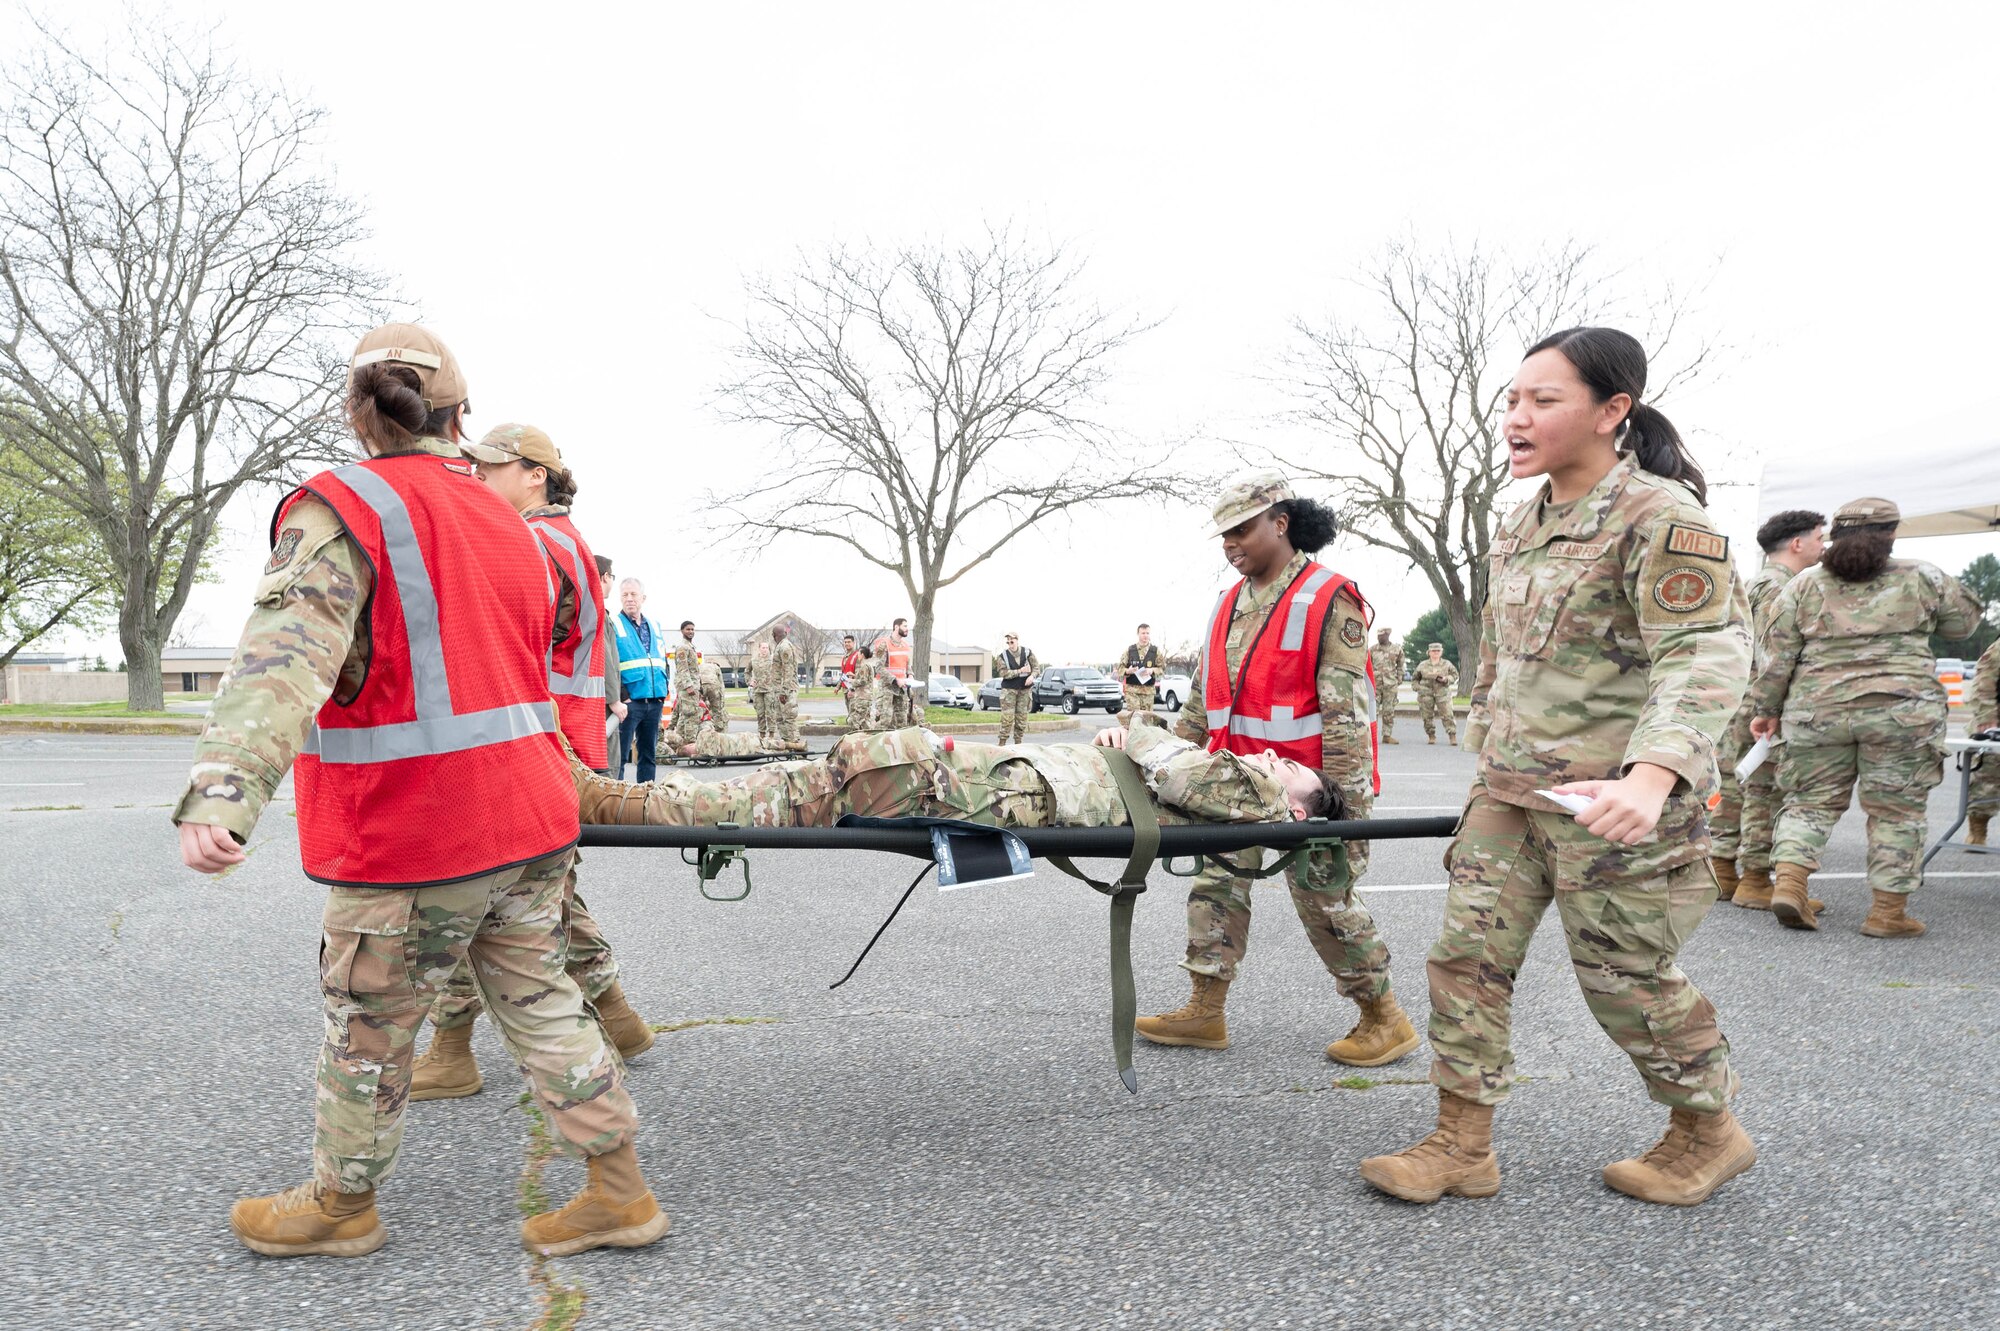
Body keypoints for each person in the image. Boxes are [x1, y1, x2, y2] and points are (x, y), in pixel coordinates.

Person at [172, 325, 666, 1259]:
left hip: (415, 830)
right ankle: (620, 1190)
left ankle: (339, 1205)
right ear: (458, 416)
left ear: (360, 414)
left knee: (368, 1025)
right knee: (546, 1001)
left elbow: (283, 661)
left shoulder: (344, 507)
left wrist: (224, 792)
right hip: (527, 818)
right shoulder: (517, 529)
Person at [1360, 325, 1754, 1210]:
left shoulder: (1661, 518)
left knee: (1626, 981)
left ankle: (1707, 1129)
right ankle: (1462, 1144)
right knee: (1464, 961)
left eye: (1544, 400)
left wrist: (1653, 777)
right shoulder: (1522, 521)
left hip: (1609, 802)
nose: (1517, 417)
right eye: (1512, 399)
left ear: (1613, 411)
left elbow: (1704, 654)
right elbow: (1507, 661)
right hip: (1509, 795)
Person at [403, 422, 654, 1105]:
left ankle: (457, 1050)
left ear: (535, 474)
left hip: (534, 741)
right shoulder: (567, 540)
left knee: (476, 891)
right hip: (559, 738)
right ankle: (619, 1023)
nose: (479, 478)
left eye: (494, 466)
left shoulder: (532, 542)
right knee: (542, 894)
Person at [1138, 472, 1416, 1069]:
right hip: (1231, 782)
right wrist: (1167, 758)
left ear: (1280, 523)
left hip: (1305, 787)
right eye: (1223, 535)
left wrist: (1346, 812)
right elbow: (1199, 699)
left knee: (1323, 896)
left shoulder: (1327, 596)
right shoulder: (1226, 604)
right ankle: (1204, 1010)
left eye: (1241, 529)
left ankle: (1383, 1017)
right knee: (1215, 885)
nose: (1230, 544)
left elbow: (1346, 711)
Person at [1746, 497, 1982, 936]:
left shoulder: (1803, 585)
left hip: (1818, 711)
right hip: (1902, 713)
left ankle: (1791, 884)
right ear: (1891, 534)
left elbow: (1776, 655)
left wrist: (1766, 710)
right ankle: (1887, 913)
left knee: (1808, 802)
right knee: (1897, 811)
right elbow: (1963, 626)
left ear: (1836, 534)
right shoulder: (1924, 575)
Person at [573, 714, 1339, 836]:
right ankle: (618, 798)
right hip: (956, 774)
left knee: (766, 801)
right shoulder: (1234, 782)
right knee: (769, 793)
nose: (1274, 762)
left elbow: (1180, 775)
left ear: (1300, 810)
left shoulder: (1257, 797)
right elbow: (1174, 773)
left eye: (1291, 771)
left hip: (951, 781)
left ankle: (613, 802)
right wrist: (1143, 743)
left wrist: (1142, 733)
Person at [1709, 510, 1825, 907]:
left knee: (1733, 785)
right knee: (1764, 789)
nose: (1823, 547)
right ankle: (1755, 879)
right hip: (1760, 699)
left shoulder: (1755, 581)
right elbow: (1774, 652)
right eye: (1818, 538)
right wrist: (1770, 703)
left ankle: (1723, 870)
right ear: (1797, 543)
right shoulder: (1784, 587)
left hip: (1739, 694)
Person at [611, 579, 668, 782]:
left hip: (654, 701)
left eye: (633, 594)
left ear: (643, 598)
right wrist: (621, 695)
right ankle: (616, 807)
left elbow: (661, 659)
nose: (629, 599)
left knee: (648, 756)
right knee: (619, 758)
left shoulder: (654, 625)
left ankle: (645, 801)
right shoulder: (614, 624)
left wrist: (664, 690)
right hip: (629, 703)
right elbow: (608, 663)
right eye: (625, 595)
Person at [596, 555, 627, 776]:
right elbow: (605, 659)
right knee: (607, 765)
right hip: (603, 703)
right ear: (606, 576)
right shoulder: (597, 612)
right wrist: (614, 699)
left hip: (596, 699)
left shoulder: (588, 608)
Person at [1969, 635, 2000, 845]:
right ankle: (1978, 829)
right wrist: (1987, 717)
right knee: (1987, 778)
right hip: (1996, 723)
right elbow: (1985, 676)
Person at [992, 632, 1039, 745]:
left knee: (1022, 719)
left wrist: (1032, 676)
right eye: (1008, 642)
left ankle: (1018, 744)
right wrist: (1020, 671)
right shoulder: (1002, 656)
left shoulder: (1028, 653)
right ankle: (1002, 744)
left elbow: (1036, 668)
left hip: (1024, 690)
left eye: (1012, 642)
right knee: (1007, 719)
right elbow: (1003, 673)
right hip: (1009, 691)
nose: (1010, 644)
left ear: (1017, 640)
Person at [873, 617, 917, 729]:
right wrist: (895, 679)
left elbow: (907, 666)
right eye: (905, 626)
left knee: (902, 721)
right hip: (887, 688)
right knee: (885, 721)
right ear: (896, 627)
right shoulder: (884, 645)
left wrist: (910, 675)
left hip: (902, 689)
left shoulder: (905, 645)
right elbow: (878, 667)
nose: (907, 629)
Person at [1412, 643, 1459, 745]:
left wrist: (1447, 679)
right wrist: (1418, 688)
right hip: (1426, 694)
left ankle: (1452, 735)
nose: (1436, 653)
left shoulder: (1447, 664)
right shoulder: (1422, 665)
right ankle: (1431, 735)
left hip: (1442, 693)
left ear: (1441, 652)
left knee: (1447, 714)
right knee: (1427, 716)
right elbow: (1415, 678)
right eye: (1433, 651)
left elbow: (1455, 675)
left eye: (1438, 651)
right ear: (1429, 653)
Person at [1119, 624, 1164, 728]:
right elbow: (1120, 669)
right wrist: (1128, 671)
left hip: (1148, 692)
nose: (1145, 636)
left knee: (1147, 721)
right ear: (1138, 634)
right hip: (1132, 692)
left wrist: (1152, 670)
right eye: (1143, 633)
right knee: (1134, 720)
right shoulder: (1130, 650)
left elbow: (1162, 669)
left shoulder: (1155, 651)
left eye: (1147, 633)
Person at [667, 620, 703, 749]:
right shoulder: (683, 647)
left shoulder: (690, 646)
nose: (691, 632)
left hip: (693, 685)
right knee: (691, 715)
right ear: (682, 631)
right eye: (688, 629)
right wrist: (689, 686)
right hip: (688, 687)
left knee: (684, 715)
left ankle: (679, 744)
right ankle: (690, 744)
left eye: (692, 629)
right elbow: (683, 668)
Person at [769, 624, 805, 751]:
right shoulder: (780, 646)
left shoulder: (784, 647)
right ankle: (787, 745)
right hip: (779, 689)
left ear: (774, 635)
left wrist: (784, 691)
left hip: (787, 690)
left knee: (788, 719)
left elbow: (788, 670)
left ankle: (797, 746)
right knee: (780, 718)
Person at [1370, 629, 1404, 744]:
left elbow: (1400, 665)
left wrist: (1399, 678)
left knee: (1388, 711)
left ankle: (1387, 735)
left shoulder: (1397, 649)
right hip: (1375, 685)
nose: (1379, 638)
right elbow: (1367, 666)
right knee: (1372, 711)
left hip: (1390, 685)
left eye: (1382, 636)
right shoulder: (1372, 650)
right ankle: (1371, 735)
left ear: (1387, 635)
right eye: (1378, 635)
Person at [749, 640, 777, 747]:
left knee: (770, 712)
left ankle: (771, 734)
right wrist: (750, 681)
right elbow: (747, 671)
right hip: (758, 690)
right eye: (763, 648)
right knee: (760, 713)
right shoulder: (753, 660)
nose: (765, 650)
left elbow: (779, 672)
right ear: (759, 648)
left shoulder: (772, 660)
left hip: (769, 689)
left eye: (767, 648)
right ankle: (761, 733)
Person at [846, 641, 877, 732]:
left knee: (854, 720)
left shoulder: (864, 666)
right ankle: (868, 739)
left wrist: (851, 681)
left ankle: (856, 738)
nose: (857, 655)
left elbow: (863, 681)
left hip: (863, 698)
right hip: (866, 697)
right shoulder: (868, 665)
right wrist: (854, 675)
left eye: (858, 653)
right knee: (865, 722)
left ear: (862, 655)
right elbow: (866, 678)